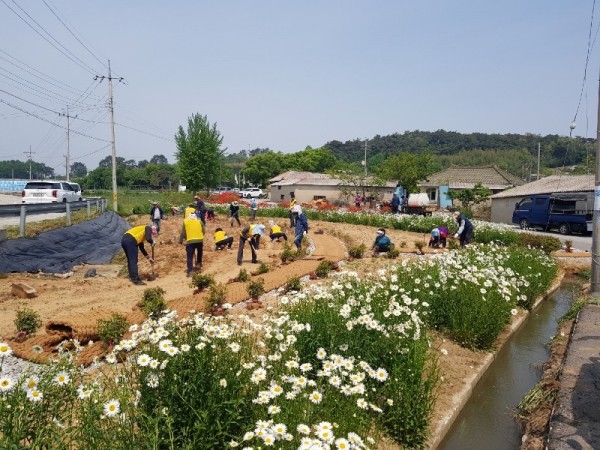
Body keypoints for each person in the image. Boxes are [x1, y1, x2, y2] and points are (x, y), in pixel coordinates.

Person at [179, 212, 205, 276]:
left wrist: (186, 238)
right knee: (199, 251)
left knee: (189, 256)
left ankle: (190, 270)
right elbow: (203, 231)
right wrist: (200, 237)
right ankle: (199, 263)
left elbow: (183, 233)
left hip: (190, 241)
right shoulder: (199, 221)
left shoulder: (185, 222)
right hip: (199, 240)